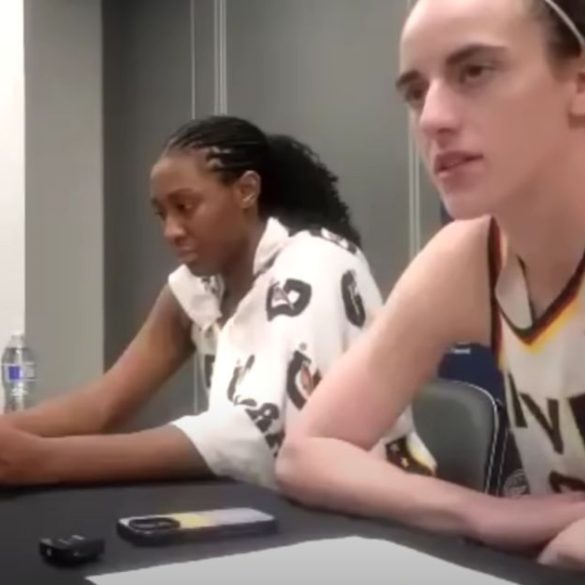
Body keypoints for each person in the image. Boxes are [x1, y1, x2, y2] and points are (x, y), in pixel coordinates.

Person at [277, 0, 585, 570]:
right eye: (417, 92)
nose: (432, 119)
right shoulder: (469, 258)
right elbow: (308, 451)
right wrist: (480, 513)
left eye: (475, 72)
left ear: (580, 83)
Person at [0, 115, 433, 491]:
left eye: (185, 207)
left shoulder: (317, 262)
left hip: (371, 509)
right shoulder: (199, 286)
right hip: (264, 505)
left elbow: (257, 433)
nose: (171, 230)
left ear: (246, 190)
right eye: (162, 214)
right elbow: (104, 404)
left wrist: (43, 460)